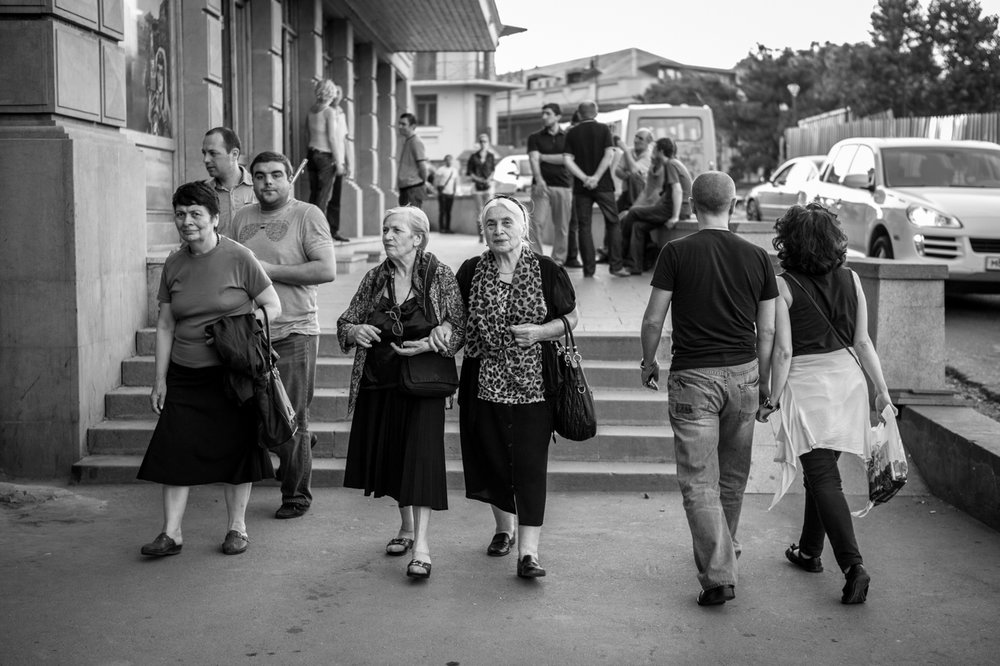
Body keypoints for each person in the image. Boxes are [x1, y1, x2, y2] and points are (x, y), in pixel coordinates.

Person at [639, 171, 777, 606]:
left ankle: (718, 574)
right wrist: (767, 382)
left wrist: (649, 361)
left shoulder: (676, 252)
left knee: (699, 481)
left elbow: (652, 320)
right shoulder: (758, 257)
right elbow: (768, 331)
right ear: (734, 205)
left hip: (692, 377)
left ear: (692, 206)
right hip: (744, 375)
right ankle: (726, 548)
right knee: (732, 476)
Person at [758, 203, 897, 605]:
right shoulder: (852, 279)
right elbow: (863, 342)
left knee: (822, 476)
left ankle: (854, 566)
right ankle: (808, 552)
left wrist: (770, 395)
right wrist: (881, 390)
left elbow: (783, 352)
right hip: (849, 386)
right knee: (821, 471)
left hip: (808, 387)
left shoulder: (784, 286)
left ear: (790, 242)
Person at [137, 181, 282, 558]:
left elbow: (272, 305)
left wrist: (236, 331)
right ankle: (171, 534)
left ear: (215, 219)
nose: (187, 222)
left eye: (196, 214)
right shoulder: (174, 262)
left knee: (237, 451)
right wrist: (159, 380)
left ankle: (237, 528)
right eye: (180, 214)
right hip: (186, 374)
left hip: (232, 376)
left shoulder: (238, 256)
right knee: (174, 450)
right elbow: (166, 325)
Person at [337, 207, 466, 580]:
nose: (388, 236)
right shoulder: (375, 278)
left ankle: (422, 547)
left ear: (417, 238)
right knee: (395, 456)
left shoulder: (438, 275)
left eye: (396, 230)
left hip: (424, 383)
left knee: (421, 459)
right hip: (379, 381)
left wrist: (435, 339)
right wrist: (355, 331)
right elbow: (345, 322)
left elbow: (459, 327)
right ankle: (406, 529)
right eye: (385, 230)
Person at [457, 195, 579, 579]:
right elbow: (457, 324)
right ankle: (503, 528)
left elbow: (572, 318)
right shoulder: (471, 270)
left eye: (507, 222)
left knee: (529, 467)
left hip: (535, 386)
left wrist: (541, 331)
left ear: (523, 227)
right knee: (492, 459)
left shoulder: (546, 270)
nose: (498, 231)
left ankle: (529, 553)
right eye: (491, 224)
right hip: (483, 383)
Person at [232, 151, 337, 520]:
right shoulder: (241, 217)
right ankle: (302, 447)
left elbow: (326, 269)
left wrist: (268, 271)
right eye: (259, 176)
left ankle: (296, 494)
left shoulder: (307, 215)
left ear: (290, 178)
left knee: (289, 416)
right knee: (258, 417)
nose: (267, 182)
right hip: (250, 334)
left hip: (295, 330)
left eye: (276, 175)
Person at [563, 101, 630, 277]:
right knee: (613, 223)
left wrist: (585, 178)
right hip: (604, 185)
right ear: (596, 112)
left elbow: (567, 160)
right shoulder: (604, 130)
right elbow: (609, 155)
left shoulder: (572, 132)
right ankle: (616, 266)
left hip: (581, 187)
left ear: (579, 114)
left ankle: (589, 269)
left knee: (584, 226)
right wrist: (596, 178)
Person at [624, 138, 693, 275]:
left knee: (632, 213)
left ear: (661, 151)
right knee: (638, 226)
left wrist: (674, 217)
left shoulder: (670, 164)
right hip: (672, 208)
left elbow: (677, 190)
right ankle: (636, 266)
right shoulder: (674, 164)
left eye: (654, 149)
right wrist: (653, 208)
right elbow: (666, 193)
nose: (652, 152)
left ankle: (621, 255)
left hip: (673, 210)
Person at [527, 103, 572, 264]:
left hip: (563, 186)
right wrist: (539, 180)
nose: (543, 117)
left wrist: (544, 157)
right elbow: (533, 158)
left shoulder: (568, 137)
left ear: (558, 116)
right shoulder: (535, 137)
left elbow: (569, 160)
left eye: (548, 113)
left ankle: (558, 260)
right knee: (536, 223)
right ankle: (537, 259)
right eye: (543, 113)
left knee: (562, 227)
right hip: (541, 186)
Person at [306, 80, 351, 242]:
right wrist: (339, 162)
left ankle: (308, 232)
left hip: (311, 154)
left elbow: (308, 134)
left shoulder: (311, 111)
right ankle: (317, 235)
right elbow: (332, 138)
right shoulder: (329, 112)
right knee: (323, 196)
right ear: (330, 93)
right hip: (325, 156)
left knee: (314, 194)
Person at [202, 127, 256, 239]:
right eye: (204, 153)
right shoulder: (202, 193)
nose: (206, 160)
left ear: (234, 154)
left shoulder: (260, 188)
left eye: (213, 153)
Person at [467, 133, 499, 242]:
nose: (483, 143)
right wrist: (478, 179)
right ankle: (480, 235)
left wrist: (489, 179)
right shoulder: (473, 156)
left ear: (488, 143)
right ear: (478, 143)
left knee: (489, 210)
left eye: (485, 141)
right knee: (479, 211)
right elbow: (470, 172)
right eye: (481, 141)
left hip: (488, 186)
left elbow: (493, 170)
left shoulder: (491, 156)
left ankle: (489, 234)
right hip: (477, 187)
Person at [613, 128, 654, 212]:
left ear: (648, 142)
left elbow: (634, 171)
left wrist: (626, 151)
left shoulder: (650, 156)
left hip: (642, 195)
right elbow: (617, 170)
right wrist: (627, 176)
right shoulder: (630, 151)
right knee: (613, 213)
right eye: (636, 137)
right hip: (626, 192)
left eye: (640, 139)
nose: (636, 140)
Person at [396, 113, 432, 208]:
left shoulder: (416, 141)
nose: (400, 126)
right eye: (399, 124)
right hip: (406, 188)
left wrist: (423, 182)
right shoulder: (408, 141)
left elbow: (422, 166)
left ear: (413, 126)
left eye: (403, 124)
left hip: (413, 189)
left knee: (412, 221)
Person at [433, 155, 459, 233]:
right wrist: (435, 190)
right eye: (447, 160)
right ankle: (442, 228)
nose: (449, 161)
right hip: (442, 193)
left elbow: (455, 182)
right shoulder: (441, 170)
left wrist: (455, 191)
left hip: (450, 193)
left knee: (448, 212)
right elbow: (435, 180)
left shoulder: (454, 170)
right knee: (442, 211)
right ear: (445, 161)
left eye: (450, 160)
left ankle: (447, 228)